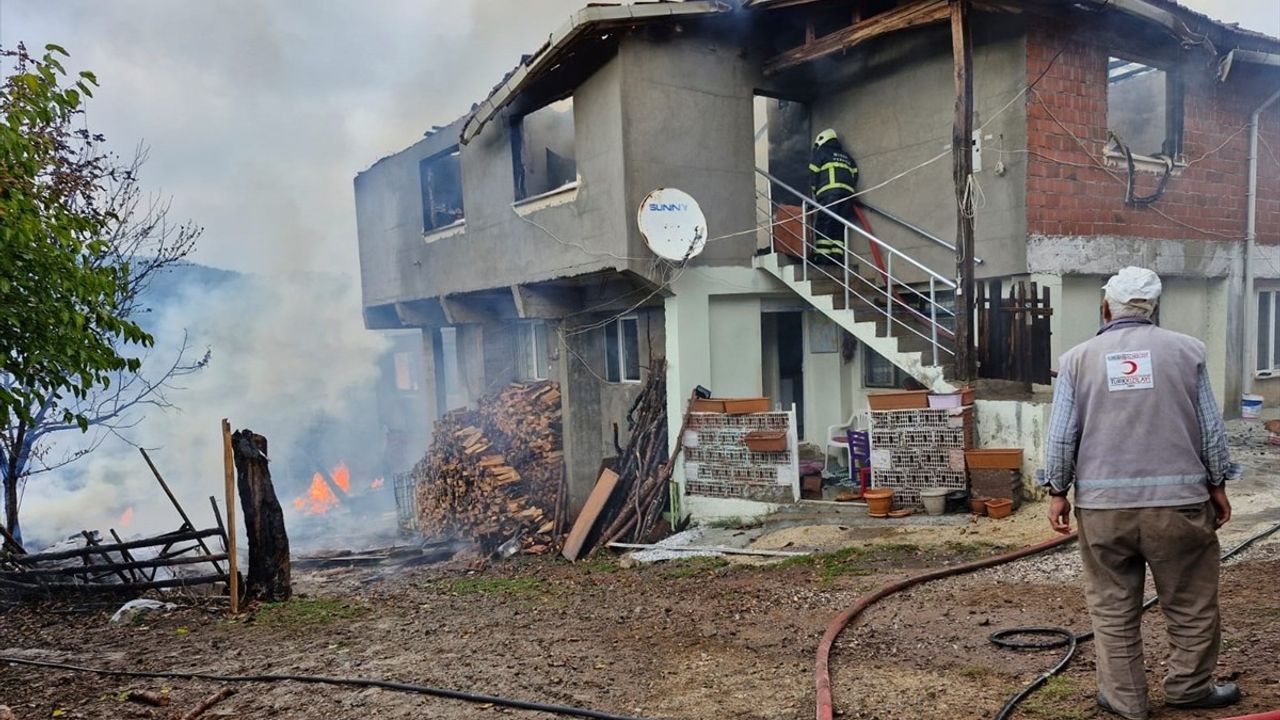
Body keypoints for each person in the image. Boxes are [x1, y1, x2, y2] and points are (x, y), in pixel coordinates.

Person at [1041, 266, 1240, 720]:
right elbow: (1211, 430)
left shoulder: (1077, 359)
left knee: (1112, 608)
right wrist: (1218, 483)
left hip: (1103, 511)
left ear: (1105, 307)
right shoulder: (1188, 351)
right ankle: (1189, 688)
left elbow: (1061, 437)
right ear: (1154, 307)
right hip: (1180, 506)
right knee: (1191, 603)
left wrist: (1057, 490)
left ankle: (1126, 700)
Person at [808, 128, 859, 266]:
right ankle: (837, 256)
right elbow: (855, 174)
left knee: (824, 222)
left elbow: (813, 174)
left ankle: (823, 257)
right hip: (847, 196)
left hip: (829, 194)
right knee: (838, 225)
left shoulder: (822, 153)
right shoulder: (846, 156)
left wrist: (815, 193)